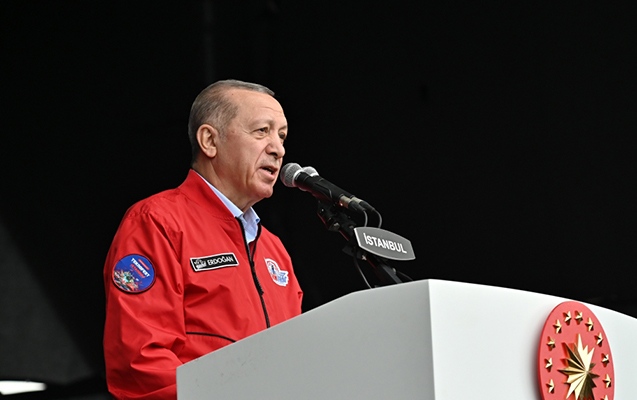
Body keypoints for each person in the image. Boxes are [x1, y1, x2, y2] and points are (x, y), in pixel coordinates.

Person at [103, 80, 303, 399]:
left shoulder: (273, 249)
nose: (278, 148)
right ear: (209, 141)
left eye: (281, 136)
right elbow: (142, 362)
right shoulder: (156, 222)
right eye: (262, 131)